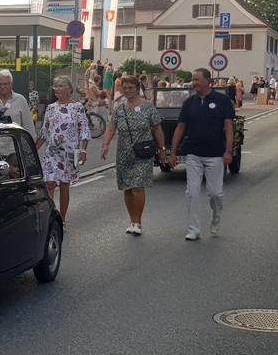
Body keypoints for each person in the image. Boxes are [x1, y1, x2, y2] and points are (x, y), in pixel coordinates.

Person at [168, 68, 235, 241]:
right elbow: (180, 128)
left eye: (197, 79)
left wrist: (228, 150)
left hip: (215, 153)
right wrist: (173, 152)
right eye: (192, 79)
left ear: (208, 81)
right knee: (192, 191)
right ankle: (193, 229)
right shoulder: (189, 103)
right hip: (193, 153)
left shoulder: (222, 101)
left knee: (215, 193)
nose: (193, 82)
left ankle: (215, 217)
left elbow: (228, 126)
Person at [99, 75, 166, 235]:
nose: (127, 91)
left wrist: (162, 149)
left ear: (138, 89)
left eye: (131, 88)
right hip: (124, 151)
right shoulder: (119, 108)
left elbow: (157, 129)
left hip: (143, 151)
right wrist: (105, 144)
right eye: (125, 88)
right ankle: (132, 220)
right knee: (127, 187)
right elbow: (111, 127)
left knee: (137, 186)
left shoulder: (148, 107)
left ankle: (139, 222)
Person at [36, 75, 90, 229]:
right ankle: (51, 215)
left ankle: (63, 219)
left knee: (64, 185)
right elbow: (44, 133)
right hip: (52, 152)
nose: (57, 89)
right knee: (50, 183)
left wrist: (83, 151)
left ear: (69, 89)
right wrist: (32, 150)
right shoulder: (51, 108)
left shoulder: (77, 107)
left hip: (69, 153)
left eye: (61, 86)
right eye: (55, 86)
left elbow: (84, 131)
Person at [0, 69, 36, 139]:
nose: (2, 87)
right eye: (0, 84)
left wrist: (31, 143)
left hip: (14, 146)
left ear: (11, 84)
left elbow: (28, 126)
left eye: (5, 84)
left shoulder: (21, 100)